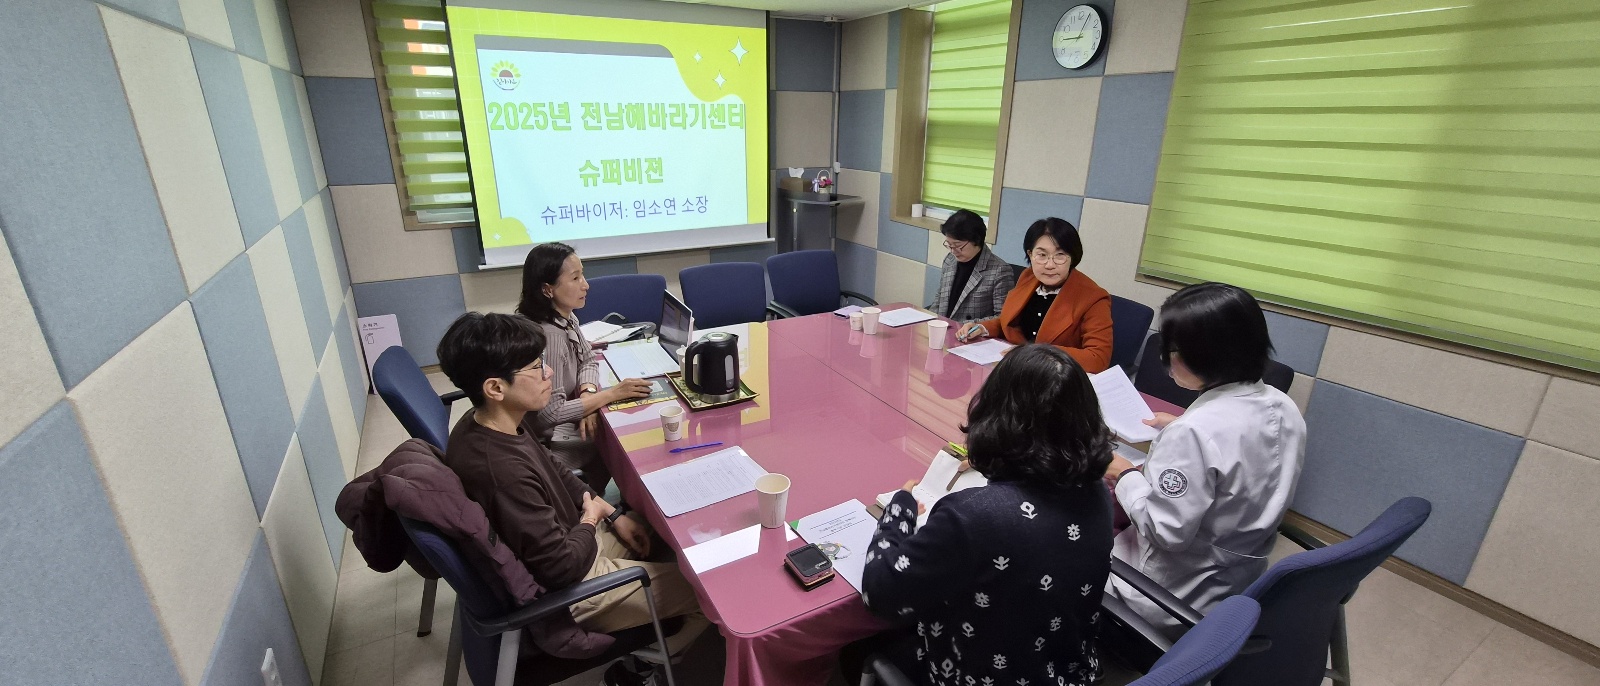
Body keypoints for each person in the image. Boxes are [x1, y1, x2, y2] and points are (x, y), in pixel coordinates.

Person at [436, 312, 708, 685]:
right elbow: (561, 568)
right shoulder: (500, 472)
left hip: (573, 541)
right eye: (536, 367)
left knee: (666, 525)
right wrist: (591, 519)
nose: (549, 372)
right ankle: (646, 668)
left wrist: (610, 512)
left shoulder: (491, 421)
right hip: (573, 588)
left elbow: (557, 470)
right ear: (495, 387)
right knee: (708, 591)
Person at [860, 344, 1115, 686]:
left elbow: (879, 594)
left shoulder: (971, 516)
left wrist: (899, 510)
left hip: (976, 674)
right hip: (1065, 670)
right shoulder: (1097, 491)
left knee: (861, 651)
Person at [1103, 283, 1306, 637]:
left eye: (1172, 349)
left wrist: (1123, 474)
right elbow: (1242, 456)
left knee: (1059, 546)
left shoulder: (1195, 432)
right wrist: (1181, 426)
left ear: (1207, 355)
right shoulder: (1282, 405)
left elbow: (1166, 531)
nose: (1166, 359)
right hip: (1238, 582)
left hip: (1166, 595)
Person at [516, 242, 652, 493]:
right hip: (552, 441)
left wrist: (588, 396)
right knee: (626, 436)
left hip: (566, 418)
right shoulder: (550, 337)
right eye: (575, 278)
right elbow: (549, 415)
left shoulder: (565, 316)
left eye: (583, 275)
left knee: (611, 420)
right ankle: (600, 504)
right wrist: (610, 395)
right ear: (547, 289)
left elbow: (588, 359)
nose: (586, 285)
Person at [956, 218, 1114, 373]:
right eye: (1042, 255)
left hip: (1055, 377)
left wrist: (1035, 353)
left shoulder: (1093, 297)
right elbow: (1011, 321)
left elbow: (1098, 358)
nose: (1050, 265)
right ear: (1030, 254)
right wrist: (981, 328)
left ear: (1072, 257)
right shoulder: (1029, 277)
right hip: (1016, 368)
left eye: (1060, 255)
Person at [928, 209, 1016, 323]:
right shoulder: (950, 260)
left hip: (970, 332)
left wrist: (970, 326)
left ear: (976, 240)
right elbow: (939, 299)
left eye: (958, 245)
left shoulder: (999, 271)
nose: (953, 251)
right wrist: (929, 320)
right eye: (949, 244)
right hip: (941, 327)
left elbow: (1002, 318)